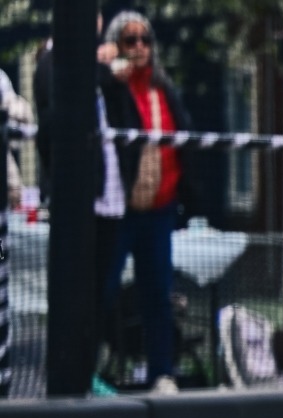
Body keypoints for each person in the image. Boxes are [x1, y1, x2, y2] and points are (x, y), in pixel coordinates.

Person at [31, 14, 139, 393]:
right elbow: (58, 115)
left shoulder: (100, 68)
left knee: (99, 295)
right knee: (72, 294)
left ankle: (89, 373)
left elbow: (125, 112)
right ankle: (65, 377)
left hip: (109, 197)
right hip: (76, 200)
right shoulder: (52, 63)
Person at [92, 11, 195, 394]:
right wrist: (105, 66)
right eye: (129, 40)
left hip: (159, 209)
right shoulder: (111, 85)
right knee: (101, 291)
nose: (138, 48)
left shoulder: (161, 87)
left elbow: (183, 135)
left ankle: (161, 371)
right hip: (120, 211)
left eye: (144, 40)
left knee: (158, 293)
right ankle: (91, 369)